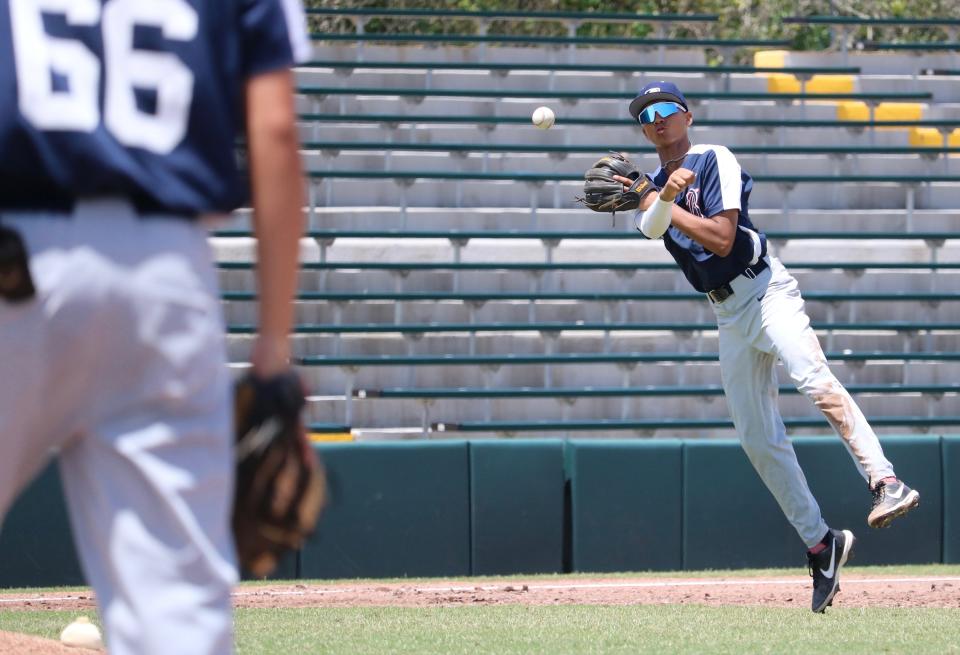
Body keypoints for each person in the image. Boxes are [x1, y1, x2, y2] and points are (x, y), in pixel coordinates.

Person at [0, 0, 309, 652]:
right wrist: (273, 355)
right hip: (166, 275)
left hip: (16, 247)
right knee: (178, 618)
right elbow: (276, 132)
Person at [620, 81, 920, 613]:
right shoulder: (653, 191)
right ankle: (822, 544)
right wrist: (658, 194)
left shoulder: (716, 158)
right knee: (757, 438)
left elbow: (722, 239)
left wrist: (658, 196)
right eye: (646, 115)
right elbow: (652, 227)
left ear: (688, 115)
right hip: (727, 313)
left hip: (765, 290)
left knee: (813, 377)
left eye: (666, 109)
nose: (657, 119)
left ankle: (886, 480)